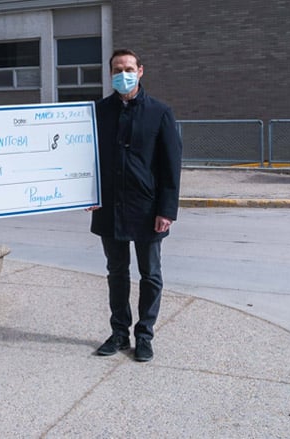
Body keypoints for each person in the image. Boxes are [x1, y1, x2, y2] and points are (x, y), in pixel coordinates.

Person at [87, 49, 182, 362]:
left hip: (147, 209)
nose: (123, 73)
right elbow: (86, 159)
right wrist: (85, 193)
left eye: (128, 68)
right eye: (117, 68)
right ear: (110, 72)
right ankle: (118, 333)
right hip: (110, 208)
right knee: (116, 272)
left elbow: (171, 165)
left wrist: (166, 211)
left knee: (150, 274)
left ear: (140, 71)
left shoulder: (160, 112)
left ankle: (144, 336)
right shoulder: (98, 111)